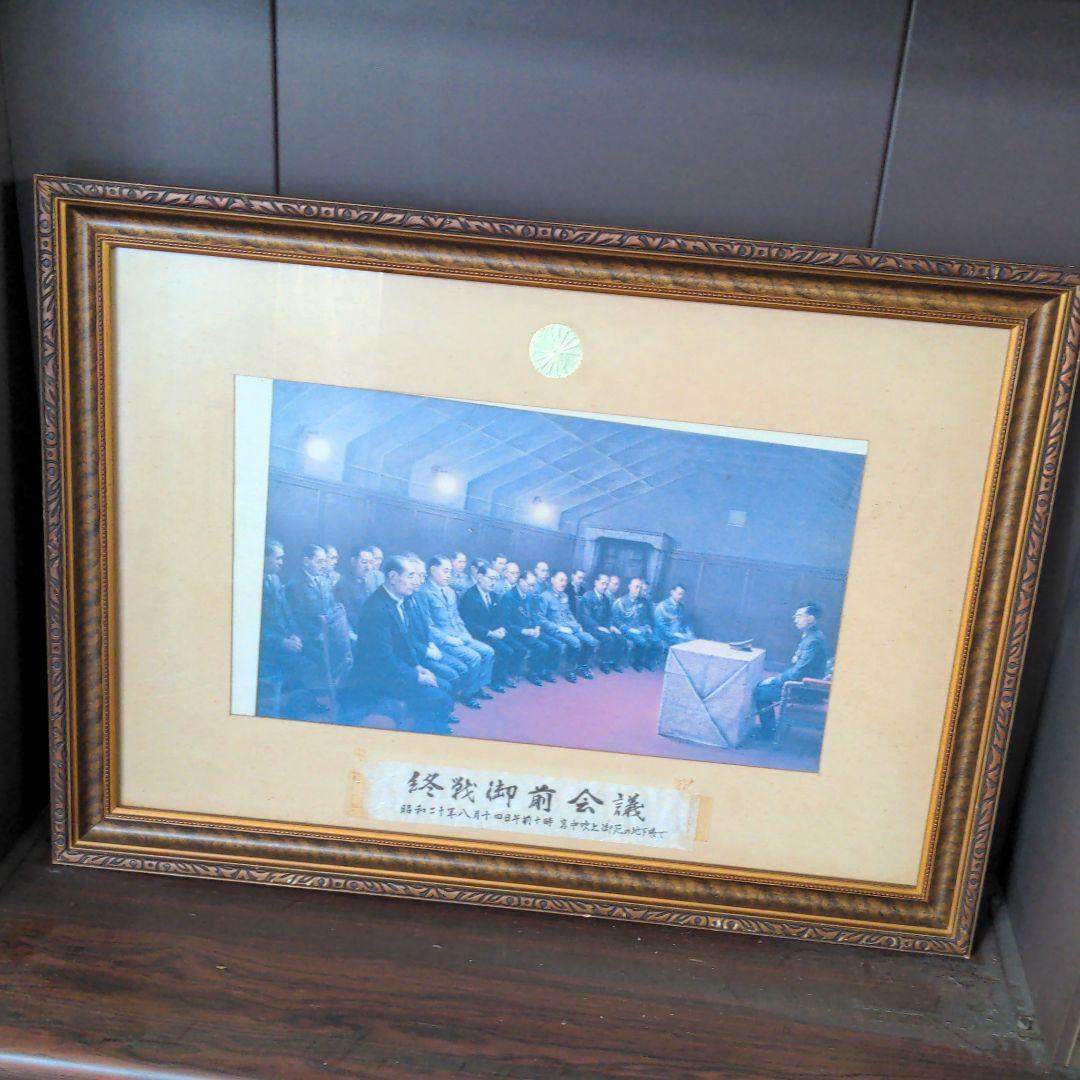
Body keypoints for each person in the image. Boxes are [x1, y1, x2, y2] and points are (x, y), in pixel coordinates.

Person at [353, 555, 456, 734]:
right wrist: (415, 676)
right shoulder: (376, 608)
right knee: (441, 699)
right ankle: (423, 737)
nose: (415, 581)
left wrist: (417, 667)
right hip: (377, 676)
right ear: (393, 577)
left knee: (444, 687)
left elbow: (405, 645)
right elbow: (381, 659)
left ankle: (426, 728)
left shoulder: (400, 600)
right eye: (410, 576)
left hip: (395, 667)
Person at [419, 555, 496, 709]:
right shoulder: (423, 592)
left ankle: (477, 687)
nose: (449, 575)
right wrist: (448, 639)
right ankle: (468, 694)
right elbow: (429, 626)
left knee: (488, 652)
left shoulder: (450, 591)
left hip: (459, 635)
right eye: (446, 571)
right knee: (474, 657)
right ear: (433, 570)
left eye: (450, 571)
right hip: (442, 640)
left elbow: (456, 617)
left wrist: (466, 634)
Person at [752, 603, 829, 738]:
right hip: (805, 683)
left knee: (761, 691)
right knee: (764, 687)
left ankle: (768, 732)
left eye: (799, 616)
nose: (795, 619)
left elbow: (800, 671)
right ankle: (769, 728)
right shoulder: (812, 636)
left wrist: (776, 679)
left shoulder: (813, 641)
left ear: (810, 619)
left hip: (807, 690)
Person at [401, 556, 471, 697]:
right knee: (451, 675)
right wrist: (427, 650)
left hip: (428, 646)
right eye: (415, 576)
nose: (421, 580)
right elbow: (405, 638)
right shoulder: (402, 601)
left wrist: (431, 643)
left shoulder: (418, 596)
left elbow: (427, 627)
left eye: (423, 575)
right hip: (415, 655)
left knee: (461, 668)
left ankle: (453, 699)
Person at [459, 560, 525, 690]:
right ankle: (495, 681)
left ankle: (503, 676)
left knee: (518, 647)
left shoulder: (493, 595)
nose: (493, 582)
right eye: (491, 578)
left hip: (493, 632)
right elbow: (469, 624)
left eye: (496, 579)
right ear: (479, 577)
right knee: (506, 650)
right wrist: (490, 633)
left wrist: (500, 628)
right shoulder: (469, 596)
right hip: (478, 635)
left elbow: (499, 617)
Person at [258, 540, 303, 716]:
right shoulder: (252, 583)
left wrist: (294, 634)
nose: (281, 562)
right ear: (263, 558)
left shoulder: (275, 579)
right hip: (265, 651)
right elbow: (254, 627)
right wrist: (281, 642)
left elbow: (286, 612)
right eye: (277, 558)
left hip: (282, 644)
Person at [499, 569, 558, 685]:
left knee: (555, 643)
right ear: (521, 581)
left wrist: (537, 627)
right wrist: (523, 631)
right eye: (530, 584)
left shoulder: (529, 596)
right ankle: (533, 673)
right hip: (516, 632)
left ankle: (546, 671)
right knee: (542, 647)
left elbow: (535, 614)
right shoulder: (508, 597)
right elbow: (505, 623)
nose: (531, 588)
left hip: (531, 630)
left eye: (533, 585)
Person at [535, 570, 596, 681]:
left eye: (565, 581)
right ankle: (569, 670)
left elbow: (568, 613)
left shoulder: (564, 596)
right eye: (561, 580)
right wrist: (560, 628)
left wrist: (577, 625)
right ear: (552, 580)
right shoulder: (544, 596)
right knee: (575, 642)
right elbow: (541, 620)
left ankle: (582, 666)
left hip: (569, 627)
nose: (563, 583)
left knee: (590, 640)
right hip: (555, 629)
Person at [577, 573, 624, 673]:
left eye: (607, 584)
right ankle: (603, 662)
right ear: (596, 583)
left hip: (601, 627)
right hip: (588, 627)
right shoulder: (587, 597)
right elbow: (585, 618)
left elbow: (608, 616)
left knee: (619, 637)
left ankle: (612, 661)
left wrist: (610, 626)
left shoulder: (605, 599)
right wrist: (598, 627)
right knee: (608, 638)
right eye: (603, 583)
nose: (605, 586)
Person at [612, 578, 661, 670]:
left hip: (641, 629)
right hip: (627, 630)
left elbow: (646, 618)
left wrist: (647, 626)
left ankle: (648, 662)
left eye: (640, 588)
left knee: (657, 641)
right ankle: (637, 663)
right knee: (642, 641)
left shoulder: (643, 602)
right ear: (629, 587)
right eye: (636, 587)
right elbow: (616, 620)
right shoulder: (621, 602)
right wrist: (629, 629)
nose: (638, 590)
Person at [336, 545, 375, 637]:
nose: (368, 567)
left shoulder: (371, 582)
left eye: (371, 563)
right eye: (364, 562)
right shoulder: (343, 585)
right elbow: (349, 617)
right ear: (353, 561)